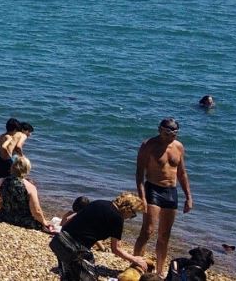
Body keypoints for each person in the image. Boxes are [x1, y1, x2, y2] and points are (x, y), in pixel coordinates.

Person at [134, 118, 193, 269]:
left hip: (171, 192)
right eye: (167, 133)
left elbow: (182, 173)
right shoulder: (148, 145)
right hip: (153, 189)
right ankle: (136, 267)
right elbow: (140, 172)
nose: (171, 137)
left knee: (165, 235)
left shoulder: (178, 147)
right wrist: (142, 197)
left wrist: (188, 197)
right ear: (159, 130)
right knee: (147, 232)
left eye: (174, 134)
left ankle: (160, 271)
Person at [50, 193, 150, 280]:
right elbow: (116, 249)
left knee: (69, 276)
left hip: (59, 241)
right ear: (128, 209)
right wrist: (135, 259)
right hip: (74, 248)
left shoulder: (99, 202)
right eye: (133, 215)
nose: (131, 218)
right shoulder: (117, 218)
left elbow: (71, 219)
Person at [0, 155, 49, 231]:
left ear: (12, 167)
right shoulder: (29, 186)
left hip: (3, 216)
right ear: (27, 169)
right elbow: (36, 211)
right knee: (40, 223)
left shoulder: (4, 181)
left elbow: (1, 200)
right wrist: (44, 222)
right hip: (22, 221)